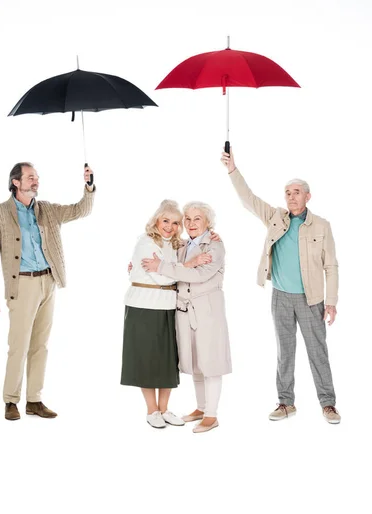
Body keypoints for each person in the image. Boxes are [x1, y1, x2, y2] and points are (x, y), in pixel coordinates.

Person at [221, 147, 340, 424]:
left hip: (311, 300)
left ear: (307, 196)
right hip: (280, 298)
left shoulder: (321, 225)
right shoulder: (275, 217)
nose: (291, 196)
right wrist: (232, 170)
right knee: (284, 353)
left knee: (317, 352)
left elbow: (331, 266)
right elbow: (248, 199)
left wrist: (331, 302)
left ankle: (328, 404)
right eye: (287, 192)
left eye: (296, 192)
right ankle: (286, 402)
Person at [0, 162, 95, 420]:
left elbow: (81, 210)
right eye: (30, 178)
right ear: (15, 182)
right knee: (18, 346)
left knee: (40, 345)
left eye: (37, 178)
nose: (36, 181)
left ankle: (34, 400)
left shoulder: (47, 210)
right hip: (21, 285)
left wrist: (88, 186)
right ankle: (11, 401)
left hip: (48, 282)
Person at [142, 202, 231, 433]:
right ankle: (201, 408)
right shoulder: (181, 244)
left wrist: (160, 267)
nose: (191, 224)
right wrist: (142, 267)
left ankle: (212, 416)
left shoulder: (215, 246)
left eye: (197, 219)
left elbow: (196, 274)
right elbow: (169, 258)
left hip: (207, 312)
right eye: (188, 219)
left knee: (211, 363)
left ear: (208, 223)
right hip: (184, 311)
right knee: (196, 363)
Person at [121, 200, 187, 428]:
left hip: (168, 306)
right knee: (147, 360)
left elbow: (171, 271)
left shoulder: (177, 245)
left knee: (168, 360)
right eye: (165, 220)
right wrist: (181, 271)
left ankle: (165, 409)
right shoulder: (146, 242)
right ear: (156, 220)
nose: (169, 226)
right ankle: (152, 410)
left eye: (175, 222)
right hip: (144, 306)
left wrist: (170, 268)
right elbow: (162, 278)